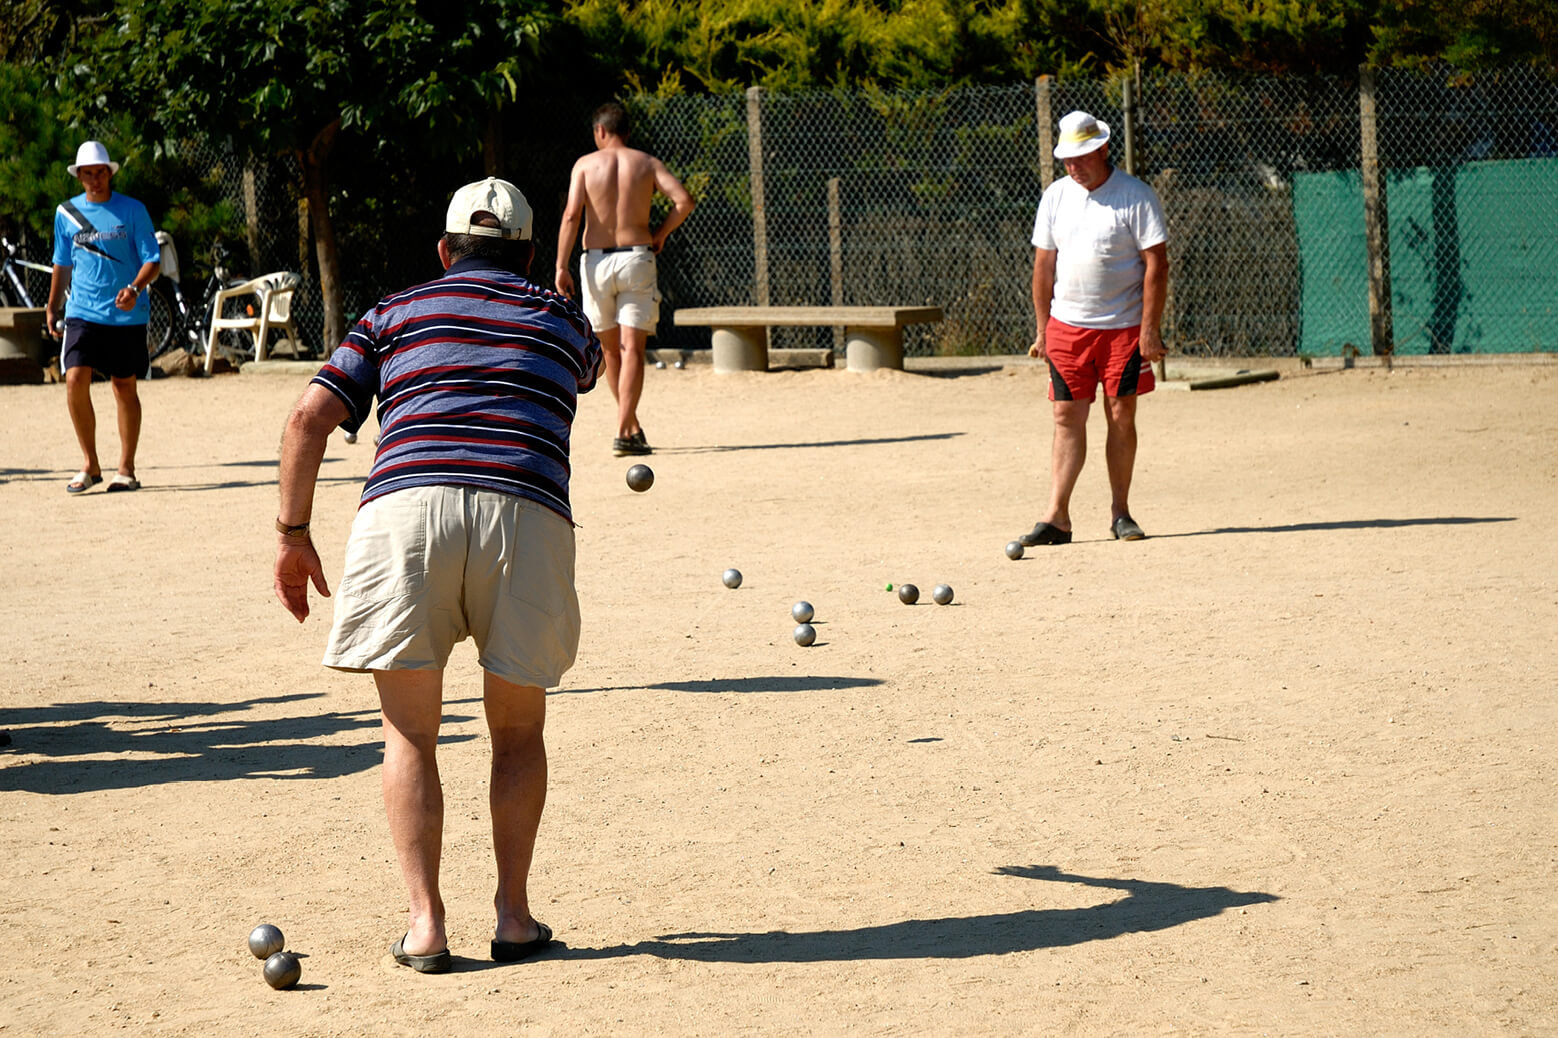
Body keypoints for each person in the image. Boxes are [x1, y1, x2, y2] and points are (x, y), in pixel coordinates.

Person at [273, 178, 602, 973]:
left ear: (444, 251)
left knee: (411, 731)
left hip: (406, 514)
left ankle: (425, 927)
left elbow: (307, 418)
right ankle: (514, 917)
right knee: (518, 732)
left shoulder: (391, 314)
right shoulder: (561, 320)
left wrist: (293, 535)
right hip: (522, 514)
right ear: (527, 253)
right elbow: (589, 370)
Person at [1019, 110, 1169, 546]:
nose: (1073, 166)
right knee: (1066, 415)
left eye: (1081, 157)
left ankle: (1120, 512)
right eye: (1067, 159)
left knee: (1120, 415)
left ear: (1103, 149)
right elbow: (1043, 267)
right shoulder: (1055, 197)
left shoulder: (1135, 196)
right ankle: (1056, 518)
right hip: (1067, 327)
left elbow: (1156, 264)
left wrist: (1149, 329)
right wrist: (1043, 329)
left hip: (1124, 327)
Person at [556, 101, 695, 457]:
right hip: (636, 257)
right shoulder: (647, 163)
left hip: (596, 263)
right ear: (626, 132)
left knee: (608, 349)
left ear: (601, 131)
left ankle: (624, 425)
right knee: (634, 347)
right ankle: (627, 427)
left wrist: (561, 265)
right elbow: (684, 201)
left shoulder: (585, 165)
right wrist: (661, 232)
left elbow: (572, 216)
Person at [46, 140, 160, 494]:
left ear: (109, 173)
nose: (95, 179)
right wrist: (52, 307)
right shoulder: (66, 213)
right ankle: (90, 464)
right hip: (82, 311)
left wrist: (135, 289)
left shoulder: (133, 210)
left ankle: (126, 468)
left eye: (100, 172)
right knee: (75, 378)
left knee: (124, 386)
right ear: (78, 176)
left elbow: (152, 260)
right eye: (88, 174)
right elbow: (61, 263)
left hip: (125, 314)